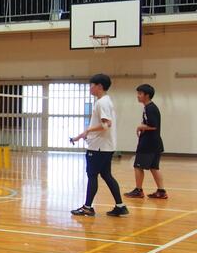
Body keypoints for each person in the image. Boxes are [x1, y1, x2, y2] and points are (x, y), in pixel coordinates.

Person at [70, 74, 128, 217]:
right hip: (103, 146)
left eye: (92, 85)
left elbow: (106, 124)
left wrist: (88, 130)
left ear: (100, 86)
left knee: (92, 175)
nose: (90, 88)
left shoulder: (102, 103)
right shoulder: (104, 101)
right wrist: (84, 134)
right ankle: (120, 206)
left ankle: (88, 207)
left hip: (99, 147)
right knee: (106, 175)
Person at [124, 84, 167, 199]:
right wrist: (143, 126)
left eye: (140, 94)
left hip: (148, 144)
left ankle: (138, 190)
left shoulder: (150, 108)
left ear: (147, 95)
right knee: (154, 167)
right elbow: (150, 124)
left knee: (138, 166)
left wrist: (140, 127)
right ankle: (161, 191)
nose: (137, 96)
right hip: (155, 143)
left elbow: (153, 125)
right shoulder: (149, 107)